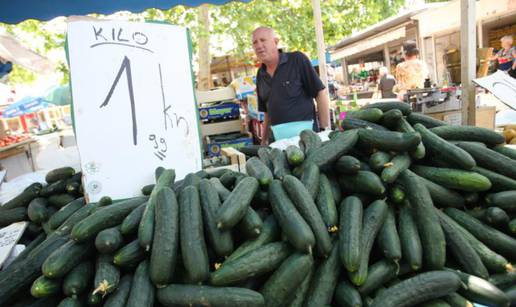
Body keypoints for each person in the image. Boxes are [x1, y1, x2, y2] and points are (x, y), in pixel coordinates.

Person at [252, 27, 330, 144]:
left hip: (307, 141)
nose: (259, 45)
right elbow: (267, 112)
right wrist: (264, 140)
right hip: (279, 145)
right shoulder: (260, 74)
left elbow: (320, 93)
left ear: (276, 42)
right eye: (255, 42)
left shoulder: (297, 60)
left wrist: (325, 130)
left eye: (263, 40)